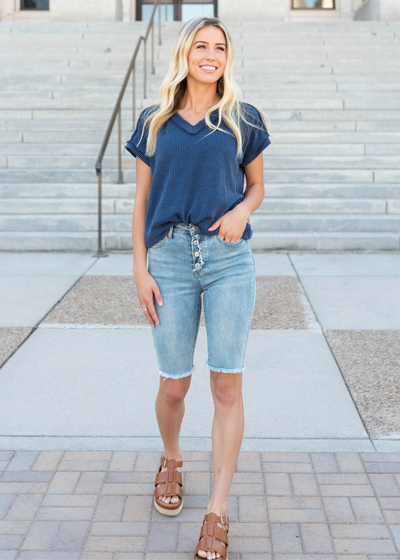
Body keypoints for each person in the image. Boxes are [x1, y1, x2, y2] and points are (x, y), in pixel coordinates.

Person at [125, 15, 271, 560]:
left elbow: (257, 186)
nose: (210, 54)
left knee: (227, 386)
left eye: (220, 47)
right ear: (186, 53)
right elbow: (140, 202)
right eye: (201, 46)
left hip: (228, 259)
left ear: (227, 57)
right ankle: (171, 457)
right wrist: (140, 268)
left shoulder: (242, 117)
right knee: (175, 388)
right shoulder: (154, 121)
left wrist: (241, 210)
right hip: (167, 259)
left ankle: (217, 510)